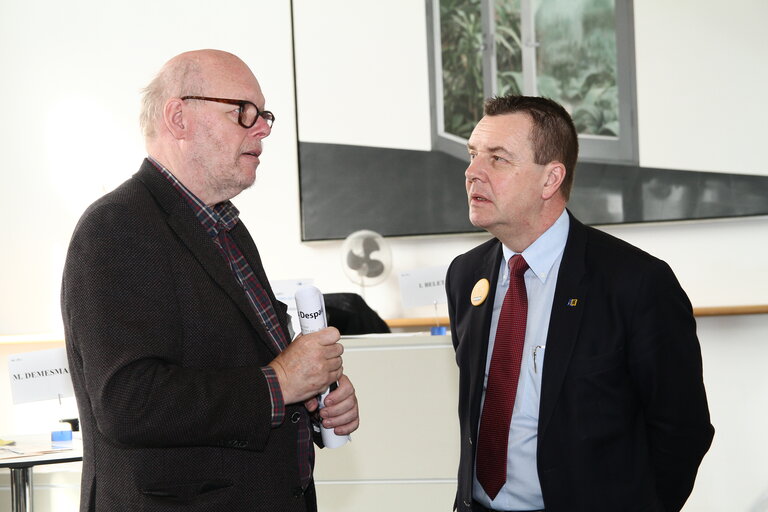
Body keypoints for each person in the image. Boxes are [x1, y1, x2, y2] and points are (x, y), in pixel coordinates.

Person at [61, 49, 359, 512]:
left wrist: (319, 398)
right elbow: (128, 402)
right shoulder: (116, 227)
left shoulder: (228, 229)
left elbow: (258, 361)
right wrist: (280, 383)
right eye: (242, 112)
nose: (261, 128)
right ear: (179, 117)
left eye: (264, 116)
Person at [445, 95, 713, 512]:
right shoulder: (466, 275)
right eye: (473, 154)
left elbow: (682, 430)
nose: (472, 172)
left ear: (551, 180)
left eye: (498, 159)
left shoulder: (637, 283)